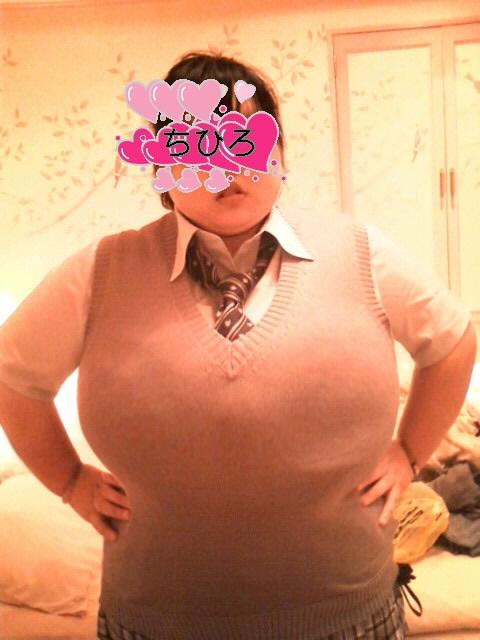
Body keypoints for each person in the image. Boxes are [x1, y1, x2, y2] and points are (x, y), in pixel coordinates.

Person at [0, 50, 477, 640]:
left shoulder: (360, 250)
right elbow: (13, 377)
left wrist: (408, 452)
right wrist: (70, 481)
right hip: (155, 622)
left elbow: (452, 342)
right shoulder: (102, 271)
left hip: (350, 616)